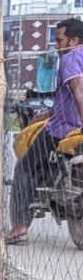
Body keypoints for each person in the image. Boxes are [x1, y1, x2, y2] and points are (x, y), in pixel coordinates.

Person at [8, 18, 83, 245]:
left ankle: (20, 225)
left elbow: (78, 90)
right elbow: (67, 97)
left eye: (59, 41)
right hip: (65, 123)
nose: (56, 46)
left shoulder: (71, 57)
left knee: (25, 169)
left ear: (74, 40)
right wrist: (49, 112)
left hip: (63, 131)